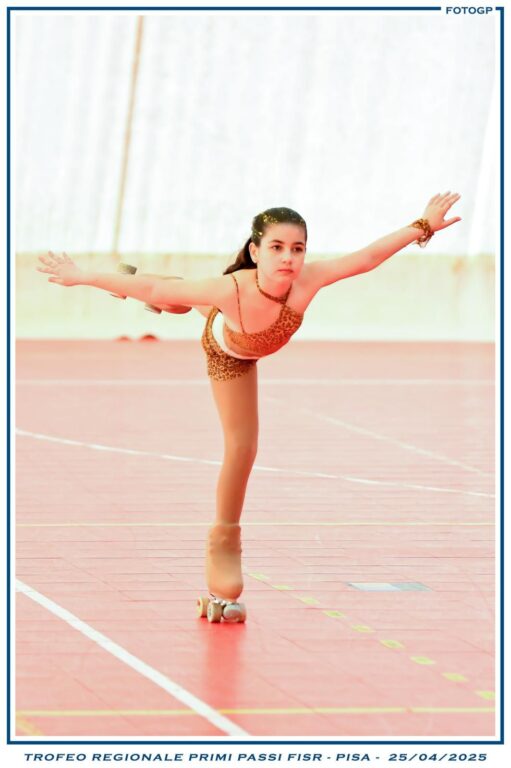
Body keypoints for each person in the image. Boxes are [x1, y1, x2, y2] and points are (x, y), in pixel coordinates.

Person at [36, 193, 462, 623]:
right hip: (229, 354)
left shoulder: (309, 280)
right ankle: (224, 543)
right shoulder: (234, 287)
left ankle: (145, 289)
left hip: (234, 321)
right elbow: (154, 289)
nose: (288, 258)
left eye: (297, 248)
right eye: (276, 247)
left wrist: (423, 225)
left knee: (187, 300)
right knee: (241, 444)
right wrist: (83, 277)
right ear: (255, 251)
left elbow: (366, 258)